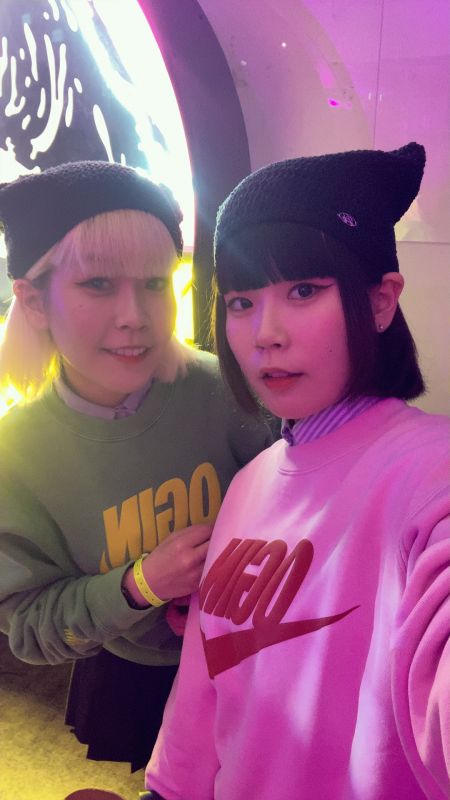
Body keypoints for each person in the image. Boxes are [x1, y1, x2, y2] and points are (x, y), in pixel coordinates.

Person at [145, 143, 450, 800]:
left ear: (380, 302)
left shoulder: (431, 472)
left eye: (304, 291)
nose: (265, 334)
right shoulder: (252, 481)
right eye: (241, 302)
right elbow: (203, 692)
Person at [0, 160, 273, 772]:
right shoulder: (15, 454)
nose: (135, 315)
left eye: (154, 282)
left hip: (255, 655)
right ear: (34, 300)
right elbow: (32, 627)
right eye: (99, 283)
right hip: (137, 674)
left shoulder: (227, 389)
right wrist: (140, 584)